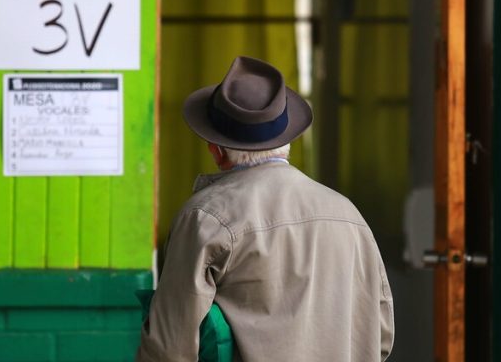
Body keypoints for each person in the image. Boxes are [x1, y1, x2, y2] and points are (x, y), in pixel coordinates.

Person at [136, 56, 395, 362]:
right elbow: (381, 335)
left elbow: (170, 349)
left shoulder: (206, 217)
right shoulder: (348, 215)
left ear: (215, 150)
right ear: (286, 141)